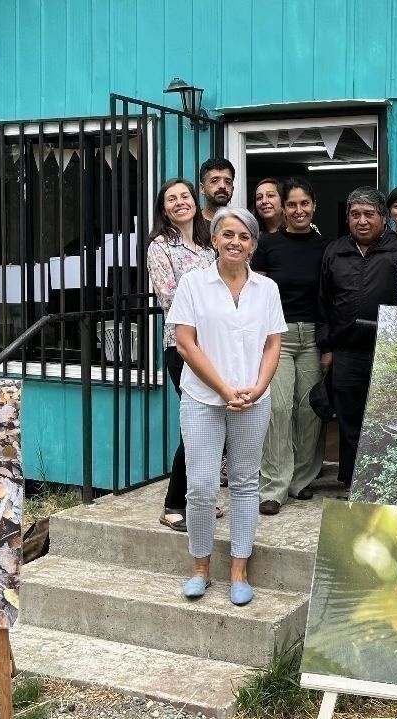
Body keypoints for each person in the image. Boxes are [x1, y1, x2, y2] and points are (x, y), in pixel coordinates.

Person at [165, 207, 285, 606]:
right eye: (228, 235)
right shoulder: (193, 284)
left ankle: (239, 570)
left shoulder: (266, 288)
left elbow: (273, 344)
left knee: (246, 482)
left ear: (253, 244)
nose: (236, 242)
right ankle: (199, 567)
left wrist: (258, 386)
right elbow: (185, 343)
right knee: (200, 486)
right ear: (214, 239)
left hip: (254, 398)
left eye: (244, 236)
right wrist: (224, 389)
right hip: (203, 398)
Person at [318, 187, 397, 489]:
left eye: (369, 214)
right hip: (346, 351)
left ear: (383, 218)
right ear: (347, 218)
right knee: (348, 419)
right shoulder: (335, 250)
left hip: (389, 352)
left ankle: (385, 483)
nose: (362, 220)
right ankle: (350, 481)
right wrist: (327, 347)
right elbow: (324, 302)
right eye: (355, 214)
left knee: (386, 419)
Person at [250, 178, 330, 514]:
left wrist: (328, 344)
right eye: (292, 204)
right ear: (284, 207)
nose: (299, 210)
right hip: (276, 337)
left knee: (309, 410)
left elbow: (329, 296)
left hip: (312, 335)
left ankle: (301, 480)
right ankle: (273, 487)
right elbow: (255, 293)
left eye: (304, 204)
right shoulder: (268, 245)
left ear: (314, 205)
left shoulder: (327, 246)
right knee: (278, 409)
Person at [146, 179, 218, 533]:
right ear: (163, 208)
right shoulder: (160, 247)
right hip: (183, 347)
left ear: (195, 201)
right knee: (196, 424)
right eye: (171, 199)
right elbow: (170, 299)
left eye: (184, 197)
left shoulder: (208, 246)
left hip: (216, 347)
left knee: (214, 422)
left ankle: (200, 500)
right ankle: (173, 504)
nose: (179, 203)